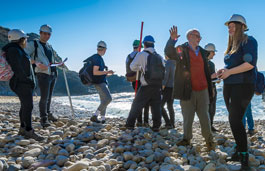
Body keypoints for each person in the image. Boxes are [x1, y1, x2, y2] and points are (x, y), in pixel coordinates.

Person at [164, 26, 215, 151]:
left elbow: (206, 72)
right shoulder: (182, 50)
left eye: (200, 36)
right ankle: (186, 139)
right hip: (187, 90)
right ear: (189, 37)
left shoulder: (203, 52)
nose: (199, 38)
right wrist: (172, 40)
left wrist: (211, 88)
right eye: (197, 36)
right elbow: (168, 53)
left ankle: (209, 141)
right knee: (187, 116)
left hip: (203, 90)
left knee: (205, 117)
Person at [217, 14, 257, 170]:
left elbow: (249, 64)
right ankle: (239, 150)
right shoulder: (231, 45)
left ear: (241, 27)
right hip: (229, 86)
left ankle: (244, 157)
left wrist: (230, 72)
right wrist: (223, 71)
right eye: (228, 26)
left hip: (244, 85)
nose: (229, 28)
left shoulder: (249, 41)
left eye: (232, 25)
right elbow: (231, 67)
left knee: (235, 120)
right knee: (235, 120)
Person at [2, 29, 44, 141]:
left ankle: (22, 128)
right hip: (20, 83)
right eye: (25, 38)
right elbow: (17, 67)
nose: (26, 40)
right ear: (21, 39)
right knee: (28, 106)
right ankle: (29, 131)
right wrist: (27, 80)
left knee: (25, 105)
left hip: (21, 82)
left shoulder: (16, 49)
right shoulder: (13, 50)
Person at [125, 35, 165, 132]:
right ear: (153, 44)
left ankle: (130, 125)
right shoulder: (159, 56)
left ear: (144, 44)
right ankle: (156, 126)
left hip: (146, 84)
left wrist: (141, 68)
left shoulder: (141, 54)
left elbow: (132, 67)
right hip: (158, 84)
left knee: (136, 104)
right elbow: (164, 69)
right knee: (156, 106)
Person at [25, 24, 59, 128]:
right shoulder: (33, 43)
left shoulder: (49, 46)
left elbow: (50, 60)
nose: (46, 36)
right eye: (44, 33)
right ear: (40, 33)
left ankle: (48, 114)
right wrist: (36, 63)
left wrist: (58, 63)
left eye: (48, 34)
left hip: (53, 73)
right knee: (44, 97)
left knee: (49, 96)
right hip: (42, 74)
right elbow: (23, 56)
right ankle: (43, 119)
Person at [88, 41, 114, 124]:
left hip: (99, 82)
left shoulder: (98, 58)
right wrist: (107, 72)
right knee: (108, 99)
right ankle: (95, 115)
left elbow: (99, 73)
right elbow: (95, 72)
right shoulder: (97, 58)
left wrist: (107, 74)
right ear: (105, 49)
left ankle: (102, 118)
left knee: (103, 100)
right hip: (99, 83)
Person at [125, 40, 150, 127]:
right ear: (139, 47)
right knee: (146, 101)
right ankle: (145, 122)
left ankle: (139, 121)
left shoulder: (128, 56)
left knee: (138, 100)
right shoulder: (139, 56)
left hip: (133, 81)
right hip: (141, 80)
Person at [204, 43, 219, 132]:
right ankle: (208, 126)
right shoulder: (205, 63)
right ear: (209, 52)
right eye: (213, 52)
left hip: (211, 88)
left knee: (212, 108)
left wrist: (217, 78)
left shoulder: (210, 64)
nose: (214, 54)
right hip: (208, 89)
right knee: (209, 109)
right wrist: (212, 78)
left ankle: (210, 125)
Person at [161, 55, 176, 129]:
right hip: (173, 87)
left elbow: (166, 76)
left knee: (160, 106)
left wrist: (162, 86)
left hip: (167, 87)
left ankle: (168, 122)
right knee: (170, 106)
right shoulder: (176, 63)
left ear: (167, 55)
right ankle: (172, 123)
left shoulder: (168, 63)